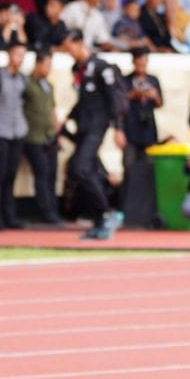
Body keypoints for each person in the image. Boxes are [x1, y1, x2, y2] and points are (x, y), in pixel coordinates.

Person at [63, 29, 128, 240]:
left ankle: (107, 213)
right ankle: (100, 220)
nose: (69, 53)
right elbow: (82, 101)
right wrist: (66, 119)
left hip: (97, 126)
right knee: (84, 170)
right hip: (83, 127)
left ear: (80, 43)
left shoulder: (101, 67)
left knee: (80, 167)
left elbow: (114, 98)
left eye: (70, 48)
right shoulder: (78, 70)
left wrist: (118, 128)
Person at [0, 38, 29, 230]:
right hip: (0, 131)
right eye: (18, 54)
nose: (20, 59)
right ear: (9, 54)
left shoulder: (22, 79)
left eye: (23, 55)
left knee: (11, 176)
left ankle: (10, 216)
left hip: (17, 131)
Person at [22, 48, 63, 224]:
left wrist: (57, 132)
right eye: (46, 65)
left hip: (49, 136)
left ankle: (53, 210)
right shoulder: (26, 84)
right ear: (37, 64)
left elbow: (52, 110)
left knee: (52, 175)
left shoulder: (49, 86)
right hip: (33, 137)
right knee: (42, 173)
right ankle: (46, 212)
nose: (48, 69)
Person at [122, 46, 162, 227]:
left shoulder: (153, 80)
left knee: (149, 169)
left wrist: (153, 95)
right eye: (139, 62)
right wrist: (134, 94)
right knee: (129, 168)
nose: (142, 66)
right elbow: (120, 103)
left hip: (148, 131)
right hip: (131, 130)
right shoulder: (126, 80)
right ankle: (126, 210)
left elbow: (160, 103)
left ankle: (148, 211)